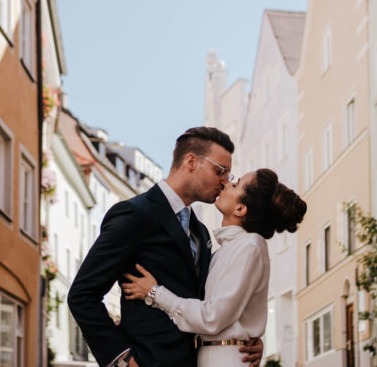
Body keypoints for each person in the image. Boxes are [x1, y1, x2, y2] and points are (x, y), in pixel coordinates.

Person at [67, 127, 263, 367]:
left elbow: (210, 303)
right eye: (220, 171)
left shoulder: (201, 232)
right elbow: (82, 295)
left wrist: (244, 336)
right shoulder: (135, 214)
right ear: (192, 161)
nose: (225, 182)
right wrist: (122, 360)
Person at [120, 168, 306, 366]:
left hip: (227, 358)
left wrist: (154, 292)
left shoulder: (251, 246)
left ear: (240, 209)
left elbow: (212, 317)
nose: (226, 183)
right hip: (213, 355)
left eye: (235, 184)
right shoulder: (227, 250)